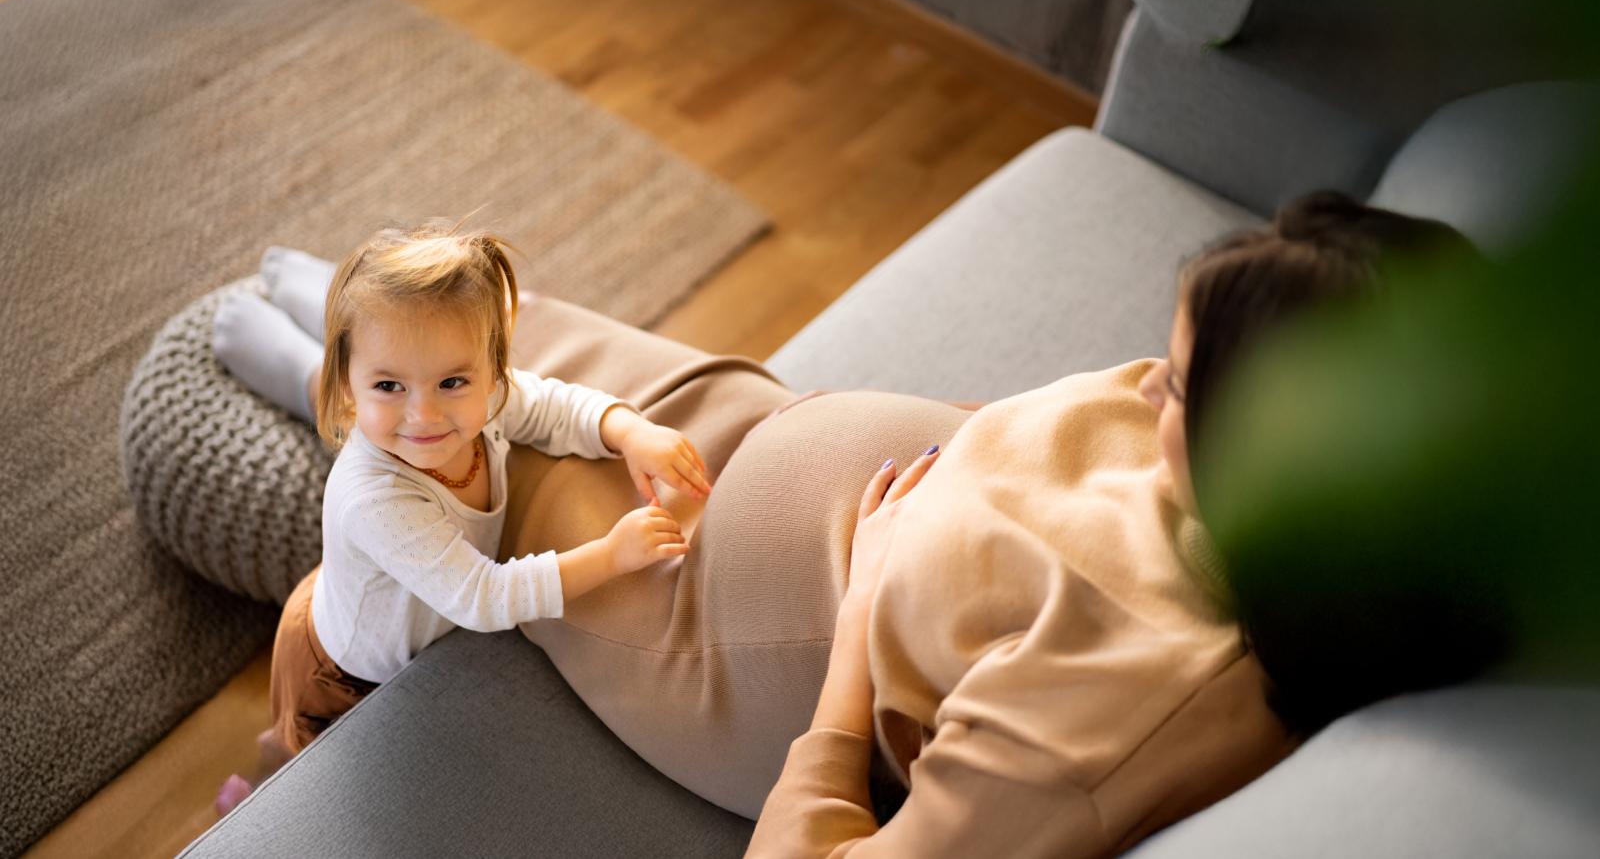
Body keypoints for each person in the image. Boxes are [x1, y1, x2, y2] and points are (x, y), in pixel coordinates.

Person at [470, 191, 1475, 856]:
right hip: (761, 426)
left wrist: (859, 628)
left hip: (708, 612)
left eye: (1173, 385)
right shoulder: (1280, 497)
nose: (1145, 388)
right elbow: (1052, 450)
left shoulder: (1109, 718)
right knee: (475, 317)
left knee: (428, 438)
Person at [207, 220, 715, 814]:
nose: (424, 414)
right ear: (347, 387)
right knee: (298, 755)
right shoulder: (375, 496)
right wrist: (611, 555)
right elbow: (482, 597)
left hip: (377, 600)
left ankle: (299, 295)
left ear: (492, 371)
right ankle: (253, 796)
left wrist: (631, 432)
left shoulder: (489, 399)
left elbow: (552, 406)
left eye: (452, 381)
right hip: (340, 668)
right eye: (389, 385)